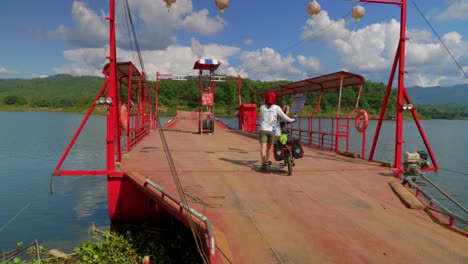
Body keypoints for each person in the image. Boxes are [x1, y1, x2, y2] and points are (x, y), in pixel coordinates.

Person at [258, 91, 295, 171]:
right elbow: (284, 116)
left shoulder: (262, 107)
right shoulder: (276, 107)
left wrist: (260, 126)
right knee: (269, 147)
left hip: (263, 129)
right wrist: (292, 120)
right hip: (272, 130)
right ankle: (267, 161)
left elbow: (260, 118)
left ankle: (263, 163)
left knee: (263, 147)